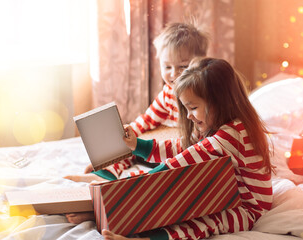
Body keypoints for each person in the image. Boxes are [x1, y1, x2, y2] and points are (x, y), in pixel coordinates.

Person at [102, 57, 274, 240]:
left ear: (219, 102)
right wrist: (137, 145)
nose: (189, 116)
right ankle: (110, 215)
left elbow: (180, 162)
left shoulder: (233, 134)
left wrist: (128, 190)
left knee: (206, 220)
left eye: (192, 108)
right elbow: (180, 147)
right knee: (177, 199)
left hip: (249, 208)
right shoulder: (210, 126)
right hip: (226, 190)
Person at [64, 22, 209, 223]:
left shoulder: (200, 97)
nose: (174, 74)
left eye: (183, 67)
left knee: (153, 173)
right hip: (159, 148)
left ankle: (115, 194)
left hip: (179, 152)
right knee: (131, 147)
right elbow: (147, 120)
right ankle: (105, 173)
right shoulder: (167, 93)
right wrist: (125, 137)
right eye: (167, 67)